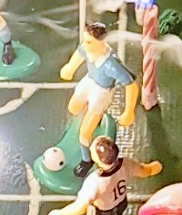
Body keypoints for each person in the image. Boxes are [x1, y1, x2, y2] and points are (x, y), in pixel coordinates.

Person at [58, 21, 140, 167]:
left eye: (89, 42)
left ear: (101, 42)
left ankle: (86, 161)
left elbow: (131, 85)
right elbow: (79, 53)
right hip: (89, 80)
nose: (84, 45)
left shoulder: (110, 65)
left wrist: (128, 111)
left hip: (101, 92)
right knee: (73, 108)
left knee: (84, 133)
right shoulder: (87, 48)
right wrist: (70, 68)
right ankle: (90, 121)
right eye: (85, 40)